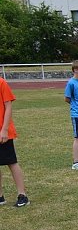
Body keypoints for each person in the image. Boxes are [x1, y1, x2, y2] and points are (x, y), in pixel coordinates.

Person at [0, 77, 29, 207]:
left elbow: (8, 106)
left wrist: (4, 129)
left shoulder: (2, 83)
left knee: (11, 162)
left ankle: (22, 195)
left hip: (2, 131)